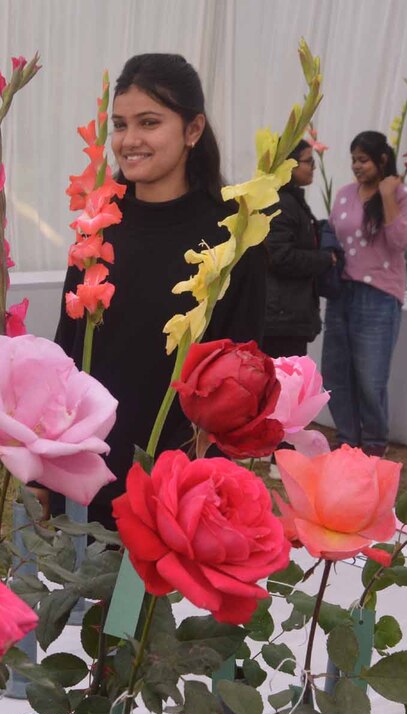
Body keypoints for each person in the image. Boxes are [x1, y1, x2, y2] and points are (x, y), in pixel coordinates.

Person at [50, 52, 267, 525]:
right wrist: (46, 469)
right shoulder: (98, 226)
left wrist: (203, 476)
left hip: (178, 484)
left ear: (193, 130)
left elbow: (241, 375)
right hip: (88, 471)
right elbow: (65, 354)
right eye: (121, 125)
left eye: (149, 123)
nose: (130, 141)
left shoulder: (231, 237)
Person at [321, 131, 407, 456]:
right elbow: (334, 232)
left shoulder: (402, 195)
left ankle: (374, 444)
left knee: (369, 376)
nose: (357, 167)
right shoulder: (346, 194)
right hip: (341, 293)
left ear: (382, 160)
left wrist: (388, 194)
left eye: (363, 160)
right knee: (336, 372)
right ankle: (347, 440)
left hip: (378, 296)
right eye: (353, 161)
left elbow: (402, 240)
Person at [262, 140, 339, 359]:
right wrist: (325, 259)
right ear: (289, 165)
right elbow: (279, 256)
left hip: (286, 315)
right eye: (309, 161)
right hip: (281, 319)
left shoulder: (289, 200)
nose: (313, 167)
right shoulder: (281, 203)